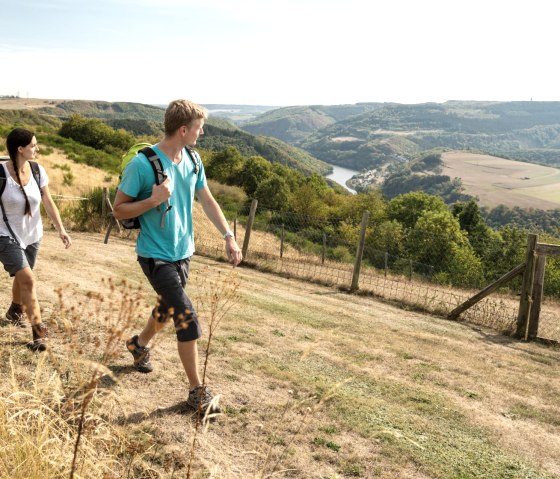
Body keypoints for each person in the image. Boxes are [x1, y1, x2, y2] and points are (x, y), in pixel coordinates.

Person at [113, 99, 242, 414]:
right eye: (199, 128)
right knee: (186, 315)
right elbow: (119, 210)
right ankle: (196, 392)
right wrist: (153, 199)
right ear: (183, 129)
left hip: (184, 253)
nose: (202, 133)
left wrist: (229, 236)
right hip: (154, 255)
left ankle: (139, 344)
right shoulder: (143, 165)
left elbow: (208, 200)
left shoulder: (193, 160)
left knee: (167, 307)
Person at [1, 128, 72, 351]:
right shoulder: (0, 174)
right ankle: (39, 332)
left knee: (22, 277)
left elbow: (48, 201)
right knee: (28, 279)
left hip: (32, 234)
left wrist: (61, 228)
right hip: (4, 234)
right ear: (20, 149)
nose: (37, 148)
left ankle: (15, 310)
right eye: (33, 145)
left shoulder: (37, 170)